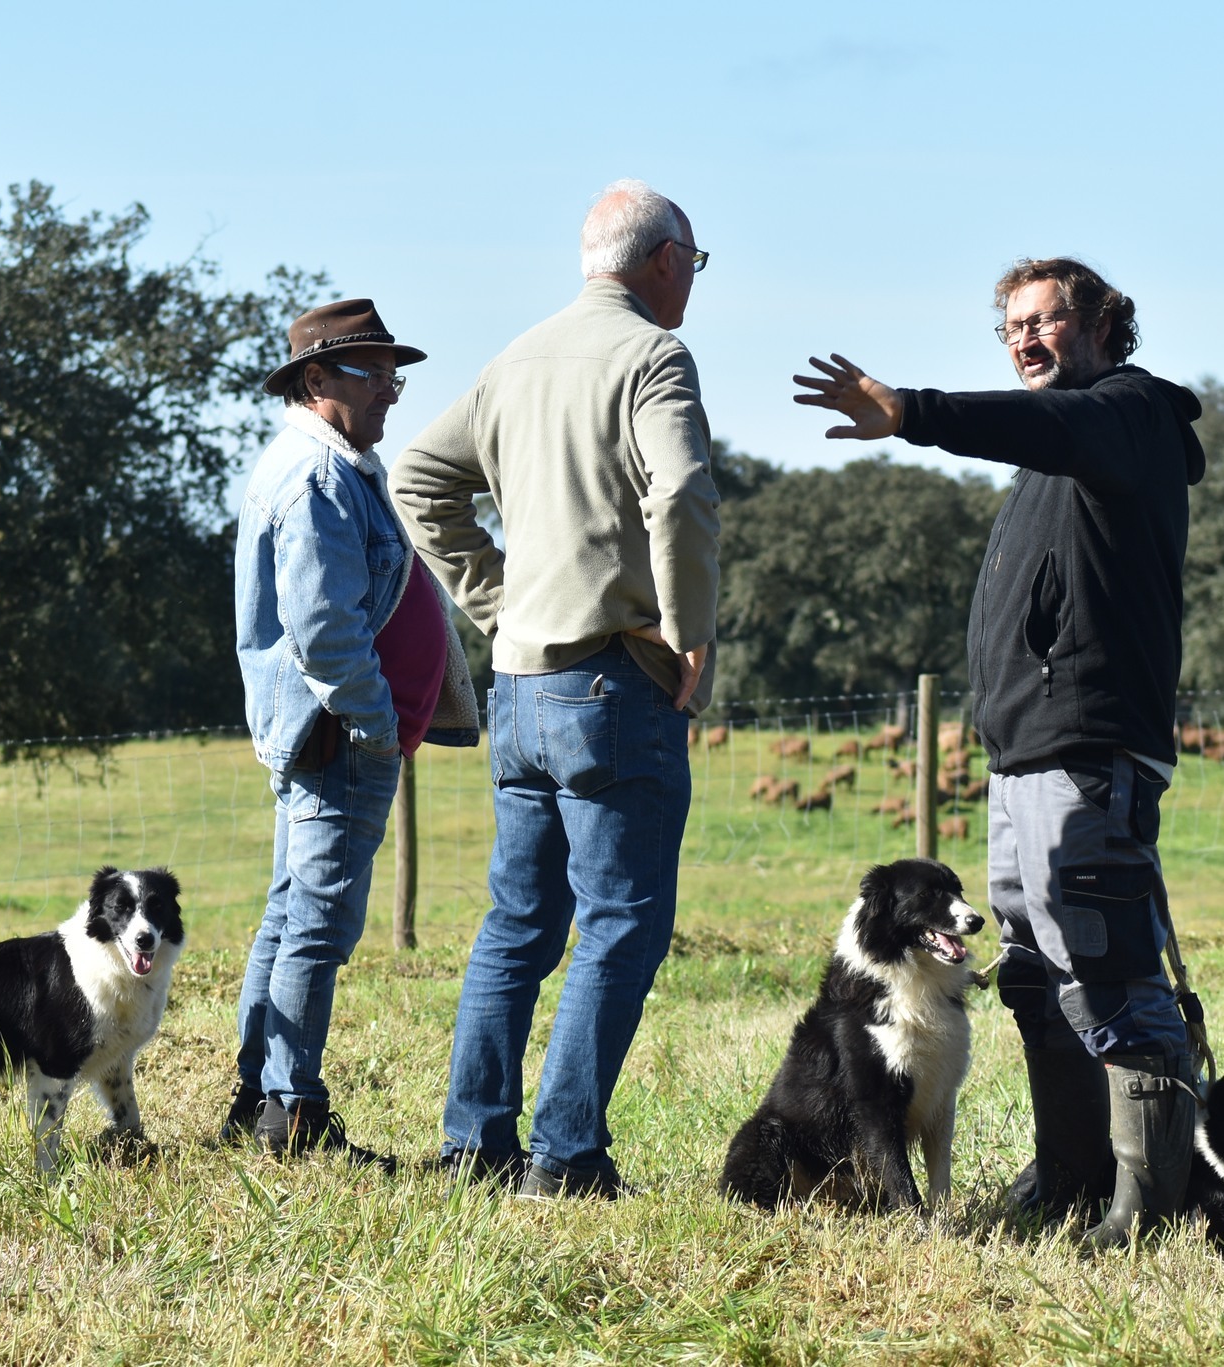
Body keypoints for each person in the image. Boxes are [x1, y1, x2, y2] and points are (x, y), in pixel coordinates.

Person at [793, 257, 1206, 1247]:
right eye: (1008, 326)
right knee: (1031, 968)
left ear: (1104, 321)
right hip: (1024, 757)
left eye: (1043, 319)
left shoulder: (1128, 414)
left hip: (1088, 749)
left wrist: (913, 410)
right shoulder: (1059, 453)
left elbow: (1048, 422)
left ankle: (1146, 1203)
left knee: (1103, 963)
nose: (1022, 338)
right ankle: (1071, 1174)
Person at [389, 179, 720, 1199]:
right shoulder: (652, 356)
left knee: (516, 922)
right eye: (695, 266)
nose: (692, 286)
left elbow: (415, 478)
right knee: (618, 919)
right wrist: (690, 633)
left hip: (518, 683)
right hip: (612, 676)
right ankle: (565, 1155)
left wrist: (493, 598)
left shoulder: (515, 358)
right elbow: (683, 493)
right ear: (662, 259)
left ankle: (473, 1143)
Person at [224, 299, 479, 1168]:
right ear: (317, 378)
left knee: (290, 913)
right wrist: (373, 725)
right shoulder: (319, 477)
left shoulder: (328, 462)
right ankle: (292, 1111)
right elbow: (325, 627)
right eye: (375, 375)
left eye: (394, 375)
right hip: (338, 738)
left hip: (330, 734)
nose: (392, 394)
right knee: (317, 927)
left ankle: (257, 1095)